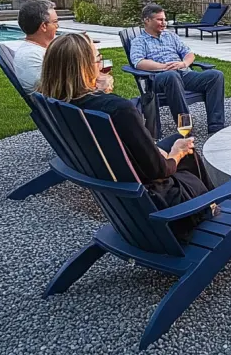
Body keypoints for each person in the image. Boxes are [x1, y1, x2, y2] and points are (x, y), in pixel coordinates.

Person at [37, 33, 216, 241]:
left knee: (178, 140)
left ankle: (208, 203)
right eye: (98, 58)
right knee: (185, 148)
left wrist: (97, 91)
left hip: (120, 186)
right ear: (84, 68)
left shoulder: (58, 106)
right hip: (158, 202)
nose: (101, 62)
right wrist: (175, 153)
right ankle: (207, 205)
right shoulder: (118, 109)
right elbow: (159, 170)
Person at [129, 3, 225, 133]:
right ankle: (185, 127)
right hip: (158, 78)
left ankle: (216, 126)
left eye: (164, 19)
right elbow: (139, 62)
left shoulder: (171, 36)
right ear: (147, 20)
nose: (164, 23)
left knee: (215, 75)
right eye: (160, 19)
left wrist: (184, 63)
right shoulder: (139, 41)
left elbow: (189, 54)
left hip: (183, 73)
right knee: (171, 76)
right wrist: (164, 67)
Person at [12, 0, 114, 95]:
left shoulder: (38, 49)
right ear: (43, 26)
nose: (58, 26)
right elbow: (56, 90)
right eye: (55, 22)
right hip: (67, 106)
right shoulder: (31, 55)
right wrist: (99, 86)